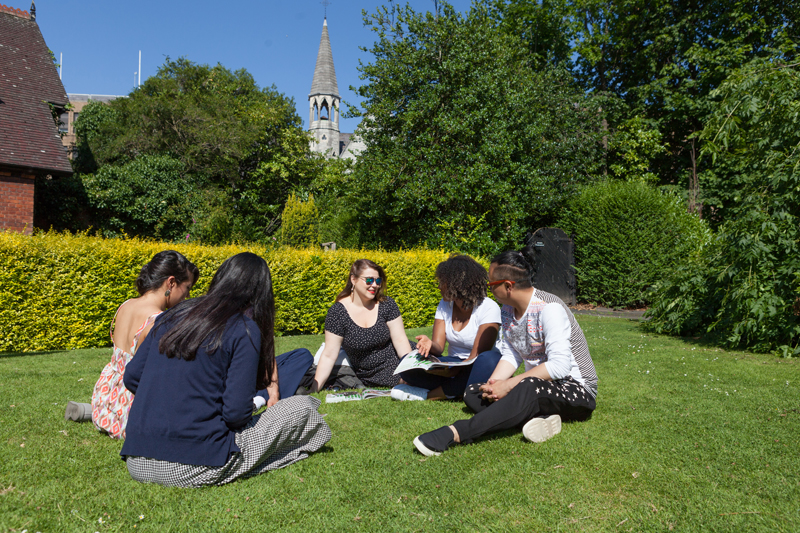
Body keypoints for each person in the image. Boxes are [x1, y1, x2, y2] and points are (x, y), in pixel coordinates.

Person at [120, 252, 331, 487]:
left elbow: (132, 377)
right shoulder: (244, 329)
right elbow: (234, 415)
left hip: (137, 459)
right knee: (301, 409)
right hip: (192, 463)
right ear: (261, 293)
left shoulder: (172, 315)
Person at [412, 248, 598, 456]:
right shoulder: (507, 310)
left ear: (508, 286)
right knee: (474, 393)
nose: (487, 290)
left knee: (527, 386)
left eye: (491, 285)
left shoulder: (550, 308)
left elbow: (559, 366)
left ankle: (456, 432)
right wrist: (493, 385)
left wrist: (509, 384)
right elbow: (511, 354)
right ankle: (537, 419)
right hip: (536, 388)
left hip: (574, 389)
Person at [64, 250, 199, 440]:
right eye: (187, 287)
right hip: (132, 407)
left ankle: (91, 412)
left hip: (106, 397)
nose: (188, 295)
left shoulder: (126, 305)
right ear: (171, 282)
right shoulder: (158, 320)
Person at [392, 254, 501, 401]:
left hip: (476, 365)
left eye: (442, 282)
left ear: (456, 284)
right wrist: (429, 344)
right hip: (452, 364)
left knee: (490, 359)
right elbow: (439, 347)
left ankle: (431, 394)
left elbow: (476, 356)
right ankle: (457, 390)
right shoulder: (445, 304)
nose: (438, 287)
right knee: (407, 363)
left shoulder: (488, 307)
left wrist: (453, 371)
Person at [310, 259, 414, 391]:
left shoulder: (386, 304)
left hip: (402, 357)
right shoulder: (338, 312)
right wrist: (314, 388)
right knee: (416, 382)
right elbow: (329, 354)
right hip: (373, 372)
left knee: (434, 371)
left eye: (378, 281)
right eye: (369, 280)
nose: (375, 285)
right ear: (353, 279)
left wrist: (410, 368)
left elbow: (400, 340)